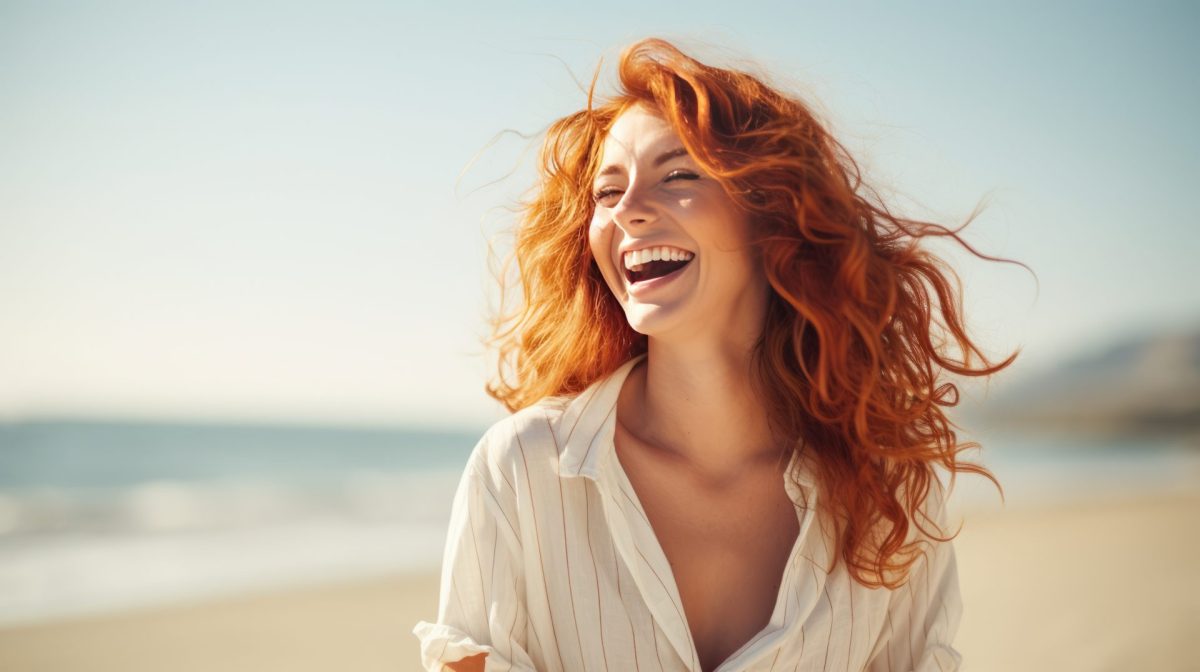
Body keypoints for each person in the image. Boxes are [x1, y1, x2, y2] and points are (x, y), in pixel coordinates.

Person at [413, 37, 1016, 672]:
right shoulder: (522, 471)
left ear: (772, 214)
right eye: (607, 193)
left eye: (678, 176)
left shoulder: (887, 494)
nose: (628, 213)